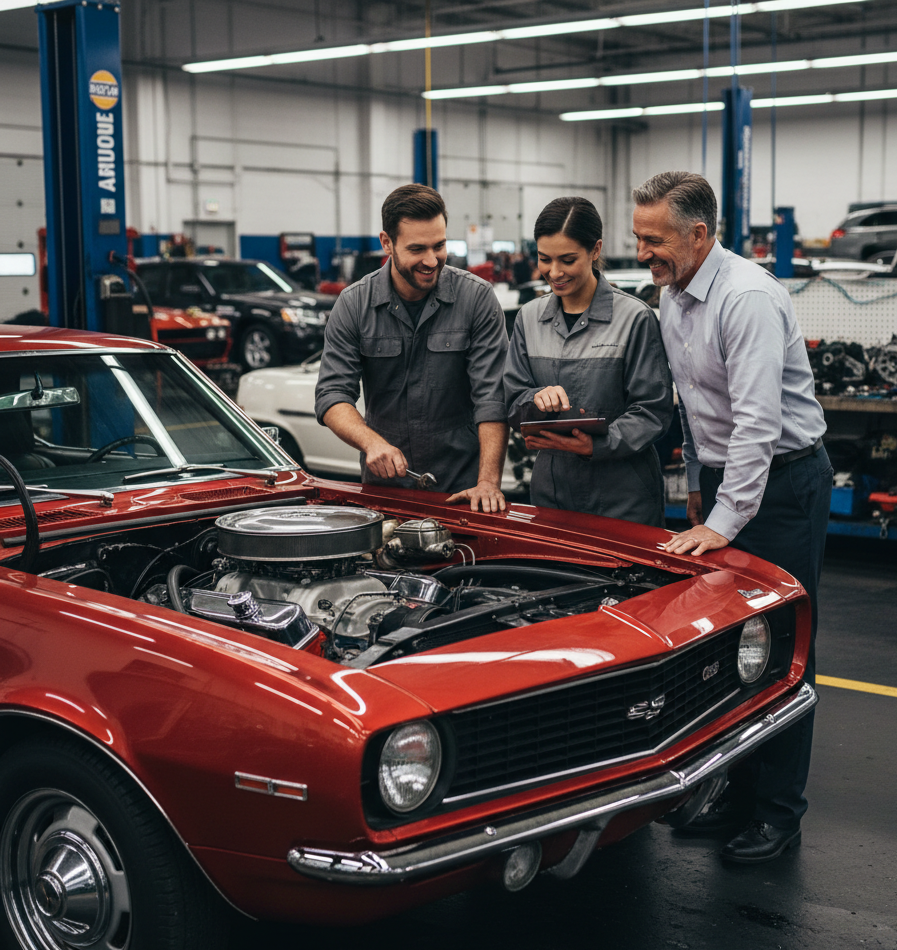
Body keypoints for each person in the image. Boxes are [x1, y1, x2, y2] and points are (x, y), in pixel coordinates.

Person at [632, 171, 831, 863]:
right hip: (728, 481)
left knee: (784, 650)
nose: (643, 253)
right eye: (638, 238)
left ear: (698, 234)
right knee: (730, 648)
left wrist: (725, 519)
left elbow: (756, 425)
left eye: (654, 240)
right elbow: (694, 405)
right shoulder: (672, 295)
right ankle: (735, 794)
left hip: (782, 484)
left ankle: (777, 813)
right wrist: (699, 485)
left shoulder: (746, 298)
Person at [315, 183, 509, 512]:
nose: (431, 260)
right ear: (387, 243)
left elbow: (492, 399)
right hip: (385, 490)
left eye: (439, 246)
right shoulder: (355, 304)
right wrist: (372, 443)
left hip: (462, 490)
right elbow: (332, 395)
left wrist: (488, 482)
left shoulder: (476, 299)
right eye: (417, 249)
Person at [503, 196, 673, 527]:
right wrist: (534, 400)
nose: (554, 272)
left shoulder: (634, 318)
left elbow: (653, 411)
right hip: (552, 494)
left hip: (624, 498)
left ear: (595, 250)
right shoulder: (529, 318)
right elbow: (511, 401)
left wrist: (597, 444)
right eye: (544, 259)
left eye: (567, 260)